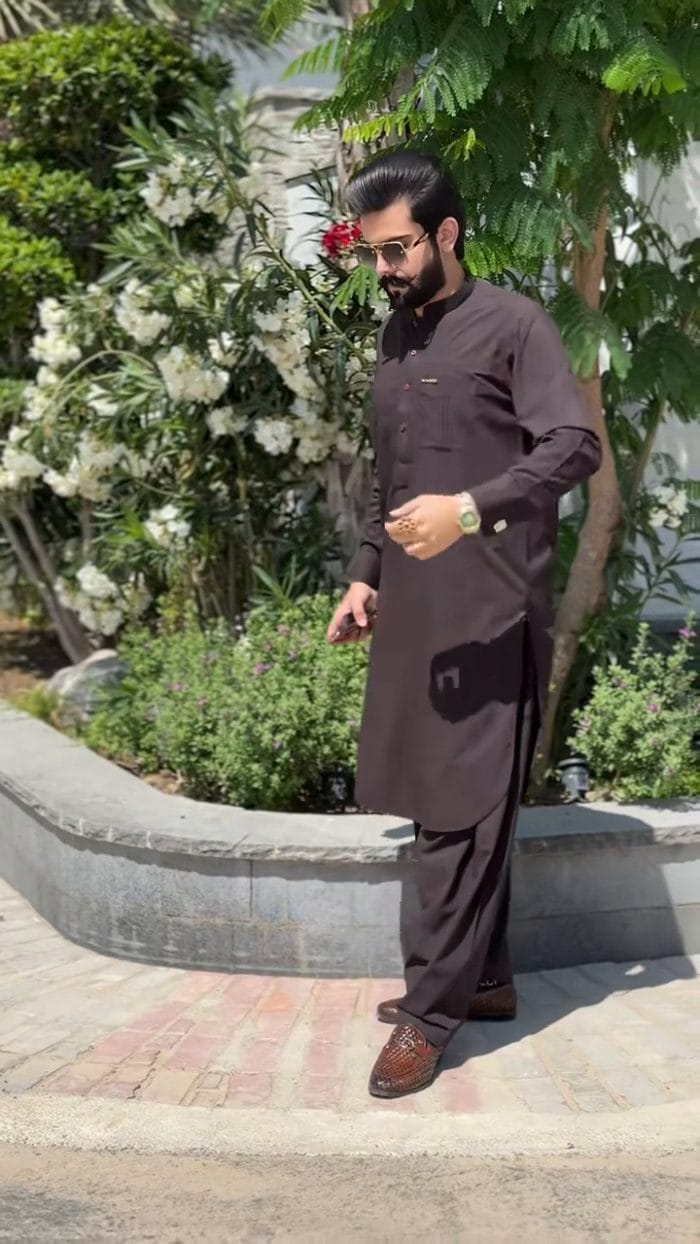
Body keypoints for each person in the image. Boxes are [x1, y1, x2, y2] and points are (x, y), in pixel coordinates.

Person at [326, 151, 602, 1100]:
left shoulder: (516, 325)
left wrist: (471, 510)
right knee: (435, 797)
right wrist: (366, 574)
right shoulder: (398, 336)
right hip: (414, 610)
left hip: (490, 609)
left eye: (398, 249)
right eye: (372, 254)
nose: (384, 269)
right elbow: (394, 474)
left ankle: (429, 1014)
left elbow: (574, 445)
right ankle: (484, 980)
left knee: (459, 813)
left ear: (446, 233)